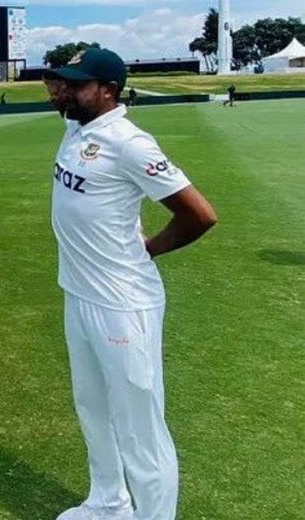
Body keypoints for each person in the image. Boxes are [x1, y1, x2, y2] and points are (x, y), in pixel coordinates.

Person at [43, 48, 217, 520]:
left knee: (140, 428)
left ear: (108, 92)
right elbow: (60, 96)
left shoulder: (130, 143)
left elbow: (200, 215)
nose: (65, 90)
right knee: (93, 409)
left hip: (122, 303)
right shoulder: (77, 126)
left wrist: (152, 247)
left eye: (77, 84)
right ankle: (108, 502)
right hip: (78, 294)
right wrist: (59, 76)